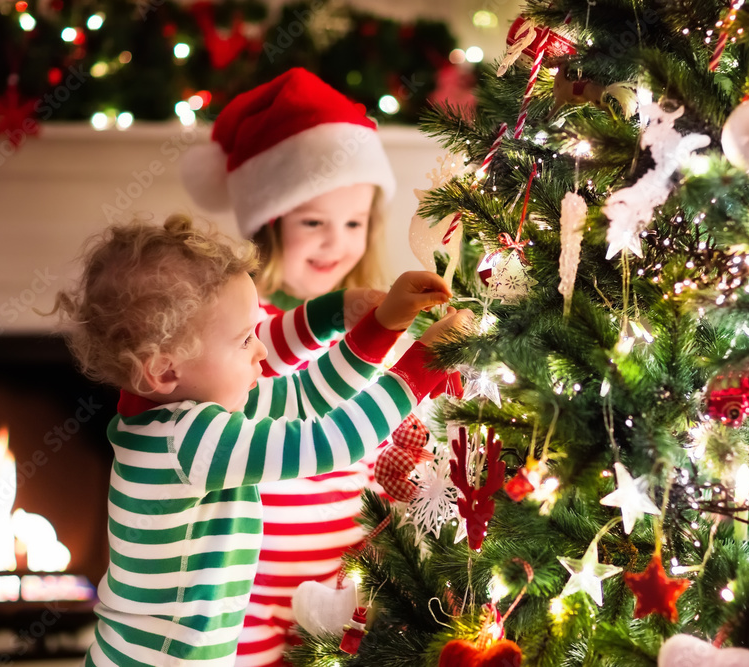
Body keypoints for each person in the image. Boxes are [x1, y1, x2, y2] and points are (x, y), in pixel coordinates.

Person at [50, 214, 471, 666]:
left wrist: (380, 325)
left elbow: (307, 398)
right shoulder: (190, 442)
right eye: (243, 339)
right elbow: (328, 441)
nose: (262, 350)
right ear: (164, 369)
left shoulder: (172, 412)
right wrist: (421, 365)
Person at [181, 68, 435, 667]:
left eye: (352, 224)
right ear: (269, 225)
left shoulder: (378, 324)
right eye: (313, 223)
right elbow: (266, 396)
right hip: (245, 585)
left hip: (337, 577)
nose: (335, 243)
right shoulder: (248, 325)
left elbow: (379, 438)